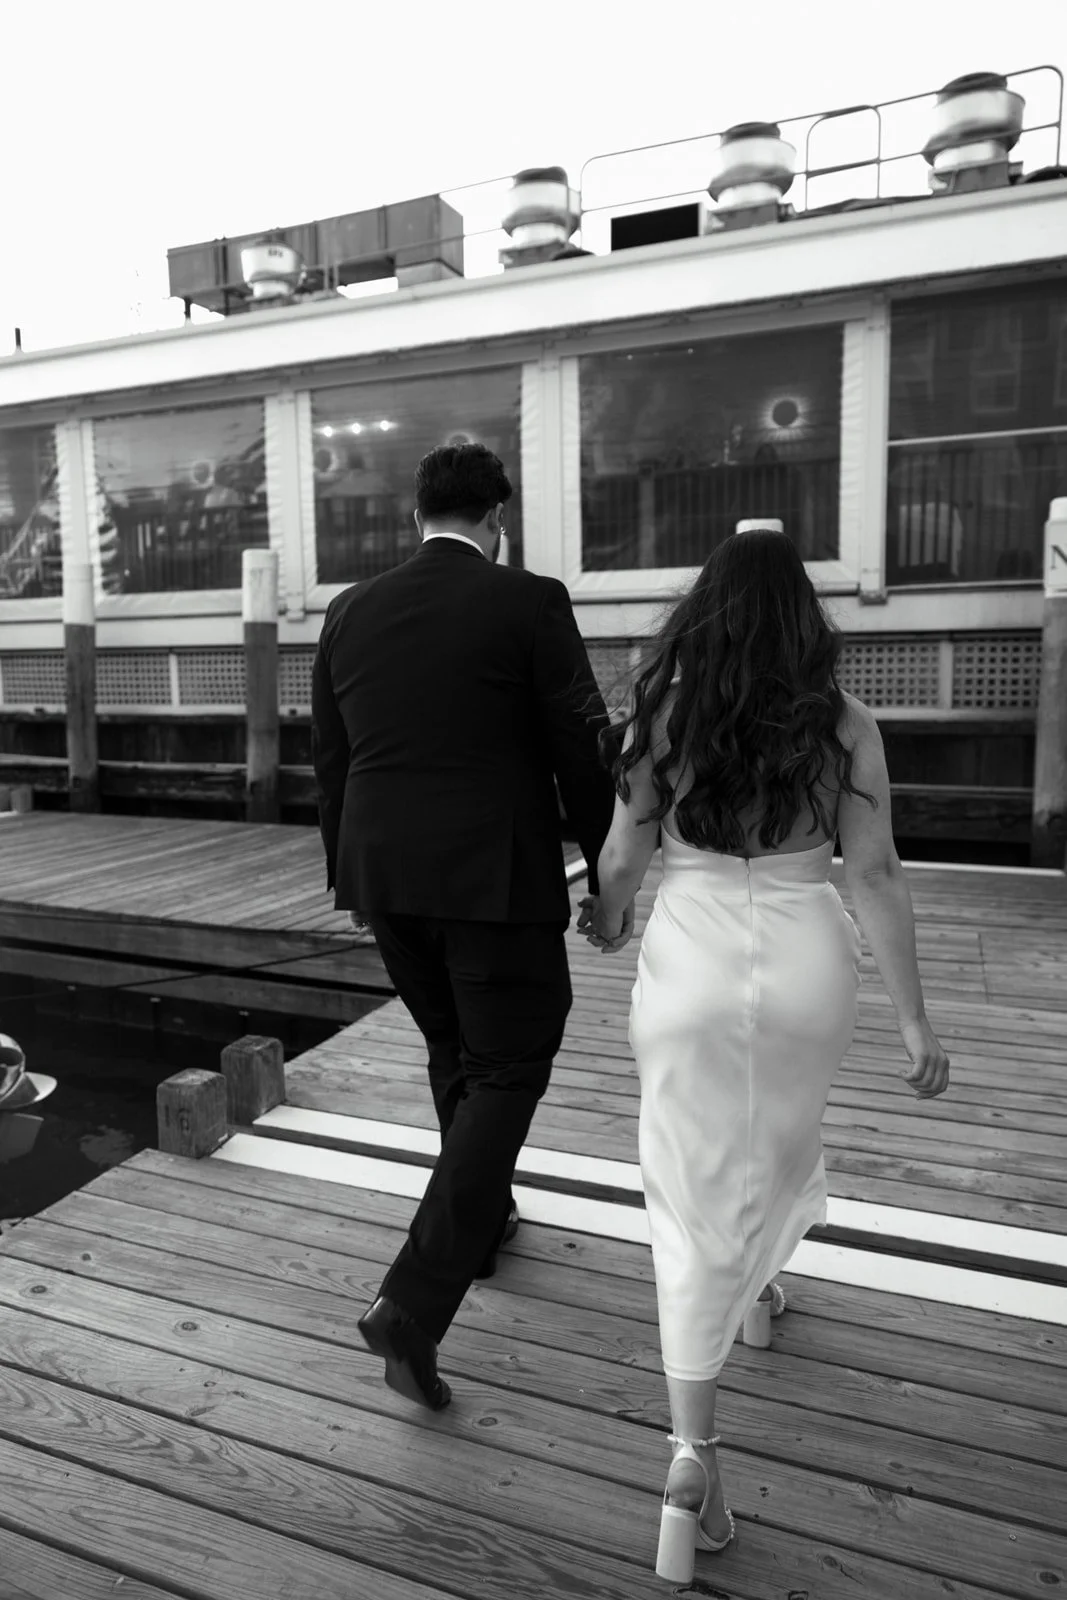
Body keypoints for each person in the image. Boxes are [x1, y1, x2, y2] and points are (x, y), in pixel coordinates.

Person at [578, 527, 950, 1583]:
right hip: (803, 967)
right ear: (801, 617)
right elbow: (872, 874)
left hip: (689, 965)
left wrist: (604, 921)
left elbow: (618, 859)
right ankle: (754, 1297)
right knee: (779, 1144)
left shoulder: (660, 718)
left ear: (704, 613)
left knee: (687, 1189)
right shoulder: (845, 724)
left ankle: (690, 1451)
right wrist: (914, 1021)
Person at [311, 442, 620, 1412]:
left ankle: (481, 1224)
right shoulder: (529, 601)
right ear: (496, 518)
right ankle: (413, 1297)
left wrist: (348, 878)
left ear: (417, 514)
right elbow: (583, 750)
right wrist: (611, 876)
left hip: (383, 877)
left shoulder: (347, 611)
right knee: (508, 1062)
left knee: (455, 1047)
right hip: (491, 879)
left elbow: (329, 761)